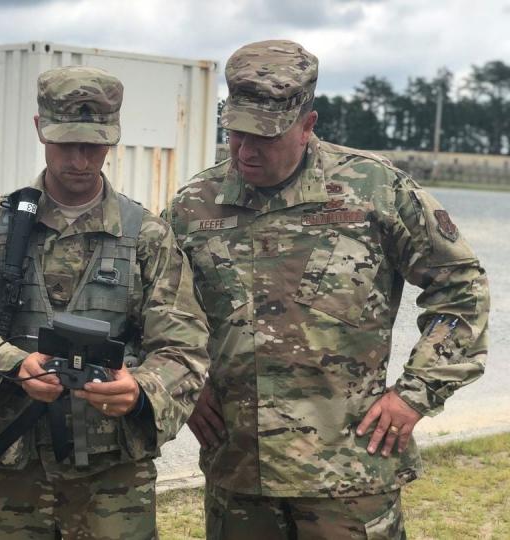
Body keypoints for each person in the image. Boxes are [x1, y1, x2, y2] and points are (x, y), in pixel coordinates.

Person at [164, 39, 489, 539]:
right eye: (235, 134)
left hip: (350, 475)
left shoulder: (375, 189)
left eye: (265, 137)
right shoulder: (195, 204)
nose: (246, 151)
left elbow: (461, 288)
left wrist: (415, 394)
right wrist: (185, 385)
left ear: (307, 124)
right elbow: (159, 307)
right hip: (238, 473)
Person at [0, 65, 210, 539]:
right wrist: (11, 363)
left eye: (94, 145)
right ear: (40, 129)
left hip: (111, 478)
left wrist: (142, 389)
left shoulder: (147, 236)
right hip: (12, 467)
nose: (80, 159)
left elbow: (185, 344)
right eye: (66, 143)